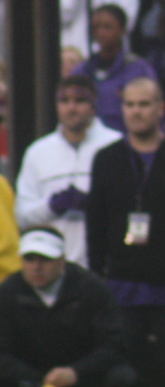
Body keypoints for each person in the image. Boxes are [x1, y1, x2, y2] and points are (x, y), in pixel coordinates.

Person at [86, 77, 165, 387]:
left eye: (144, 104)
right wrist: (98, 274)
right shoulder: (107, 159)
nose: (136, 112)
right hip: (123, 289)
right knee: (127, 375)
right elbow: (96, 223)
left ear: (161, 108)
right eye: (129, 105)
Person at [0, 227, 136, 387]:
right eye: (29, 259)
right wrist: (32, 379)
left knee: (122, 377)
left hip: (81, 374)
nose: (37, 267)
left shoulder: (91, 288)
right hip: (27, 377)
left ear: (62, 260)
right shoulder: (7, 292)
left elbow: (115, 343)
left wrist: (76, 371)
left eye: (45, 259)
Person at [14, 75, 121, 268]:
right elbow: (22, 216)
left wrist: (96, 205)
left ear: (93, 105)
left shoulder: (115, 145)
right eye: (64, 101)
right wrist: (51, 206)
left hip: (105, 264)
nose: (71, 108)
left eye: (80, 101)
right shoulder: (38, 152)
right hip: (53, 268)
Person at [74, 3, 158, 133]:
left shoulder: (139, 69)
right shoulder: (82, 70)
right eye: (96, 28)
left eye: (107, 27)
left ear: (122, 30)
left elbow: (154, 111)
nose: (100, 33)